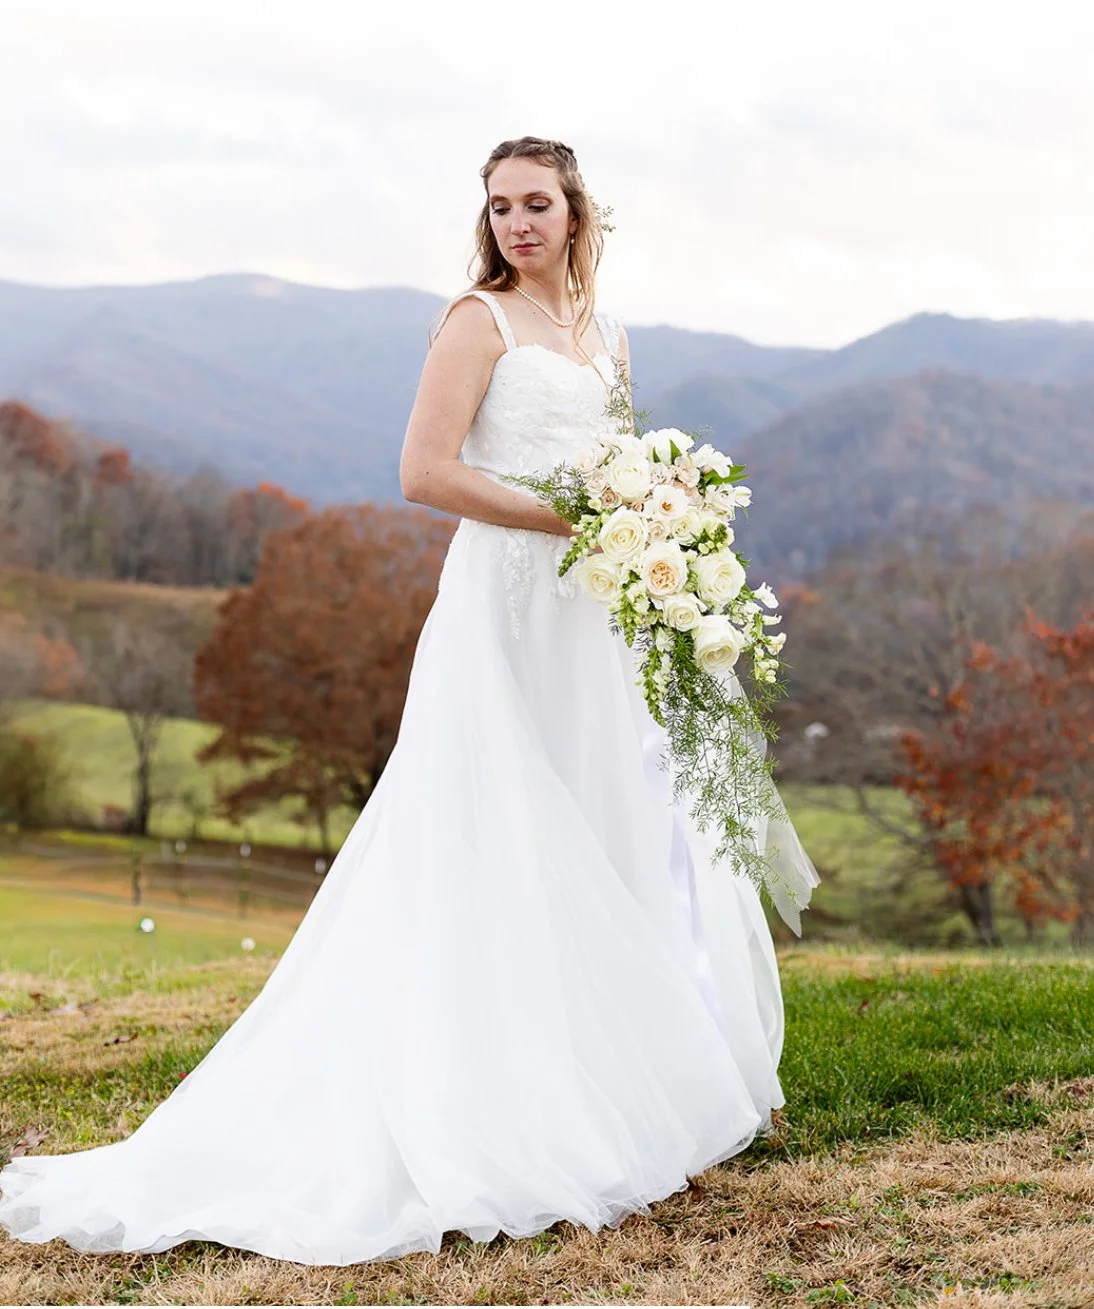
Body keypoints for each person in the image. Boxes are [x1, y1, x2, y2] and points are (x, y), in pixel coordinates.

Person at [0, 135, 819, 1267]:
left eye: (536, 204)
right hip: (506, 609)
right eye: (498, 207)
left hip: (594, 614)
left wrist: (651, 517)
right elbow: (422, 472)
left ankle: (626, 1073)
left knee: (605, 818)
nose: (516, 224)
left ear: (578, 214)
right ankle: (484, 1092)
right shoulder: (472, 322)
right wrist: (573, 520)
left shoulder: (607, 336)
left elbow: (618, 459)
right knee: (497, 831)